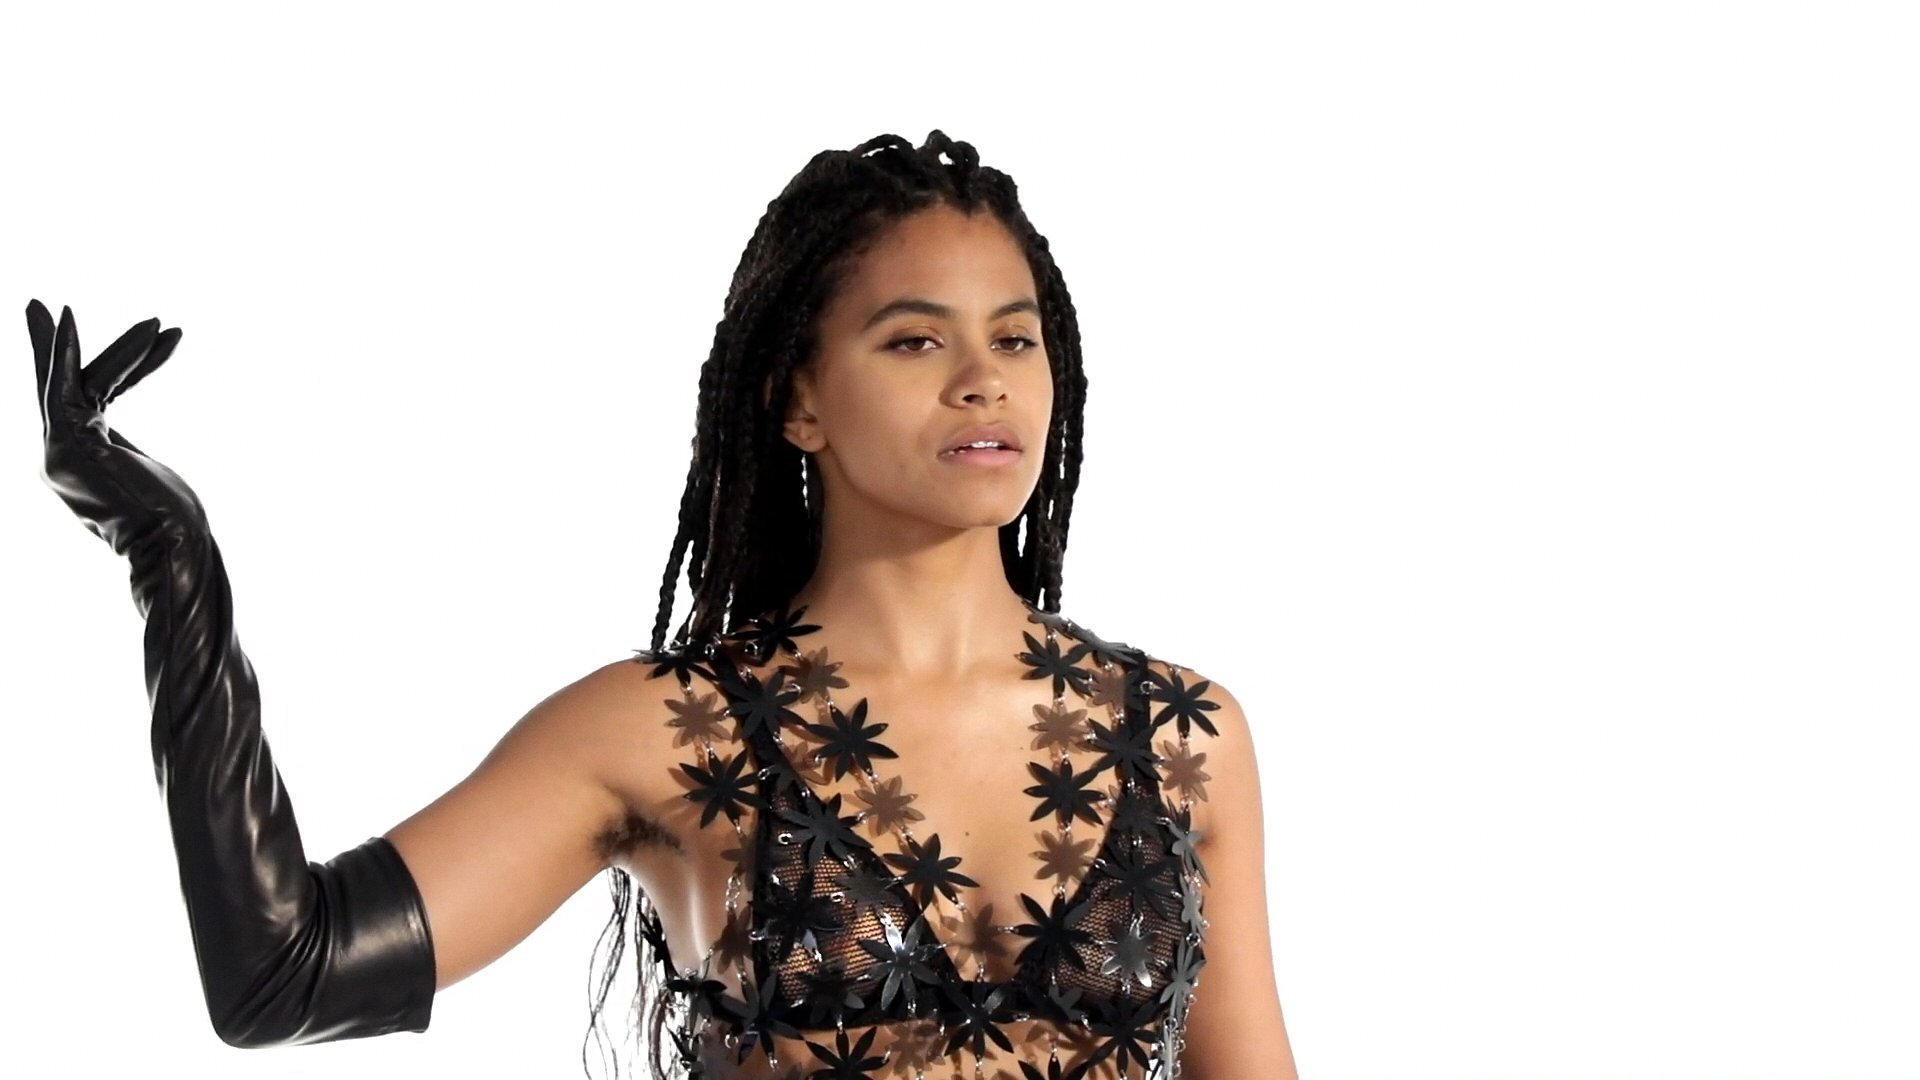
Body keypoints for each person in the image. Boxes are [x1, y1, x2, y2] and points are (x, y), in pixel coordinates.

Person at [27, 130, 1296, 1080]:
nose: (983, 381)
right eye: (916, 341)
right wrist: (172, 562)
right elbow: (283, 973)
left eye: (1016, 340)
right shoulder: (670, 731)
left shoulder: (1184, 735)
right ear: (797, 399)